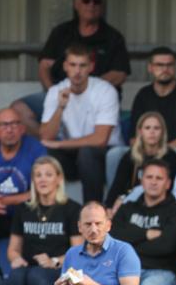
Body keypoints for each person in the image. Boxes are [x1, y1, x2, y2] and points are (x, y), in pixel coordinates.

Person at [12, 0, 130, 136]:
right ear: (76, 3)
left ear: (102, 6)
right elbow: (44, 66)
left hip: (95, 99)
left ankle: (68, 145)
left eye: (96, 1)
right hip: (61, 94)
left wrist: (86, 89)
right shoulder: (61, 32)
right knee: (17, 110)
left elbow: (120, 74)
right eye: (86, 0)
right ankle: (49, 145)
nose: (91, 5)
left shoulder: (113, 37)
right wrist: (53, 92)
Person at [0, 156, 82, 285]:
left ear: (59, 179)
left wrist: (54, 261)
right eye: (38, 175)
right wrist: (16, 258)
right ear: (33, 180)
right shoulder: (24, 209)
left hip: (62, 272)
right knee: (15, 274)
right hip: (29, 274)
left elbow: (77, 253)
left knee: (36, 274)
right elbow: (12, 250)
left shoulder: (71, 209)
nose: (43, 179)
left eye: (48, 174)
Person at [111, 159, 176, 285]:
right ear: (142, 180)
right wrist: (146, 234)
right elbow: (113, 239)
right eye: (149, 177)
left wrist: (129, 242)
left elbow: (166, 246)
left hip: (161, 273)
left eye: (159, 178)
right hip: (123, 271)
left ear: (168, 184)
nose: (153, 182)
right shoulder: (127, 209)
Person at [40, 44, 123, 204]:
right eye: (73, 65)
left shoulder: (105, 91)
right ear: (65, 66)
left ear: (91, 67)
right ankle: (50, 211)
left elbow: (100, 139)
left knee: (87, 153)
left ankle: (92, 209)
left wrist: (60, 144)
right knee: (46, 153)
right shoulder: (55, 91)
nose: (77, 71)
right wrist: (60, 108)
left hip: (105, 153)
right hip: (72, 154)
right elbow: (46, 136)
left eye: (82, 65)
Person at [0, 107, 47, 236]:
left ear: (22, 128)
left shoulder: (36, 149)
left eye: (14, 124)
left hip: (27, 210)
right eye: (4, 125)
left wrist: (5, 201)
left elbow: (44, 189)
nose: (10, 129)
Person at [105, 112, 176, 212]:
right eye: (147, 128)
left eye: (156, 128)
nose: (152, 132)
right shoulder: (130, 155)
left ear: (162, 132)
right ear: (140, 131)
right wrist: (109, 207)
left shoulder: (170, 156)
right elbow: (117, 186)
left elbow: (171, 188)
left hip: (160, 205)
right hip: (132, 203)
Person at [130, 47, 176, 150]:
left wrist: (163, 152)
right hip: (148, 151)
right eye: (159, 65)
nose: (165, 69)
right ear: (150, 68)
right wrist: (148, 152)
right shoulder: (143, 95)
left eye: (169, 65)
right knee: (117, 153)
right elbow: (134, 135)